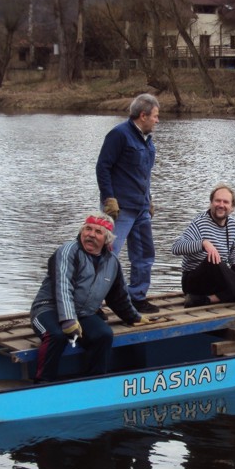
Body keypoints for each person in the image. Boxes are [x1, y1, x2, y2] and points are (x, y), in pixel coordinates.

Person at [30, 213, 146, 382]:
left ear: (107, 240)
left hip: (82, 313)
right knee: (57, 335)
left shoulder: (112, 262)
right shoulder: (68, 251)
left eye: (98, 232)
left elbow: (118, 296)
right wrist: (69, 320)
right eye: (88, 229)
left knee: (103, 335)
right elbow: (63, 286)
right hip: (48, 308)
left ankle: (94, 382)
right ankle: (43, 382)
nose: (91, 234)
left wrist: (134, 317)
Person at [96, 93, 160, 314]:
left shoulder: (147, 140)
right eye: (155, 116)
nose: (157, 120)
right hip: (120, 209)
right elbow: (103, 167)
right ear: (143, 115)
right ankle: (93, 303)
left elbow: (144, 174)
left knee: (144, 254)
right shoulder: (119, 135)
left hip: (141, 207)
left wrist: (149, 199)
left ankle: (136, 297)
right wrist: (108, 199)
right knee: (107, 254)